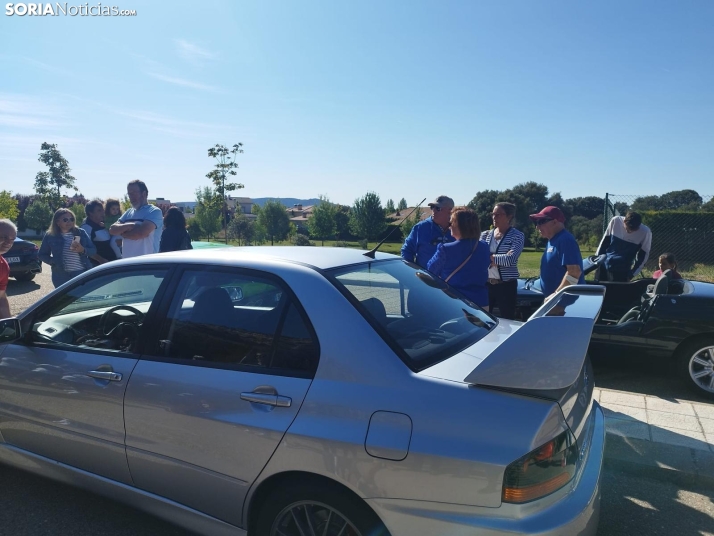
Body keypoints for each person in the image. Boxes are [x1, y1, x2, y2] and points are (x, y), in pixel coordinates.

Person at [427, 207, 491, 309]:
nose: (449, 226)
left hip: (455, 302)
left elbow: (431, 271)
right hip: (481, 303)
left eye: (451, 222)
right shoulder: (484, 247)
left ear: (461, 225)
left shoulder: (445, 249)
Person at [480, 202, 525, 319]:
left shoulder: (517, 236)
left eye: (498, 214)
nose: (494, 217)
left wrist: (489, 257)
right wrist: (499, 257)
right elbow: (478, 256)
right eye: (493, 214)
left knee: (507, 319)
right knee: (484, 319)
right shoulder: (485, 235)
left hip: (506, 286)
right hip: (486, 285)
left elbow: (510, 259)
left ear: (509, 217)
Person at [530, 206, 584, 301]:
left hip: (564, 303)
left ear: (555, 222)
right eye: (536, 222)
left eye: (541, 222)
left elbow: (574, 272)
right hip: (558, 302)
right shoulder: (553, 240)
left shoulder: (565, 240)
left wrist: (556, 295)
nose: (537, 226)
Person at [39, 209, 96, 288]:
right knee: (65, 299)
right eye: (65, 219)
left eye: (71, 219)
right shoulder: (50, 235)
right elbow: (41, 254)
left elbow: (93, 250)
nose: (69, 222)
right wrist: (52, 261)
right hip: (61, 275)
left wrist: (83, 250)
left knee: (81, 298)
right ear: (57, 222)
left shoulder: (80, 232)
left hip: (80, 272)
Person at [109, 180, 164, 258]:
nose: (131, 197)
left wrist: (122, 232)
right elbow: (112, 229)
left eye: (134, 193)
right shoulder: (128, 212)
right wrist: (131, 226)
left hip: (147, 264)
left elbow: (140, 233)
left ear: (144, 194)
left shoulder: (154, 211)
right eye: (129, 194)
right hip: (127, 264)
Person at [596, 211, 652, 282]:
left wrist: (632, 274)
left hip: (622, 270)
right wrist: (597, 262)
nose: (630, 231)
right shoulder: (615, 221)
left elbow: (643, 256)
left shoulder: (645, 232)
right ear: (624, 221)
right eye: (629, 228)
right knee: (599, 289)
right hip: (604, 265)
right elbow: (604, 243)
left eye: (634, 229)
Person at [401, 195, 455, 268]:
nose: (434, 211)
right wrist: (413, 271)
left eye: (438, 208)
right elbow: (407, 251)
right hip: (426, 278)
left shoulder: (458, 229)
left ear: (450, 211)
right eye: (432, 207)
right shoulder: (420, 228)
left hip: (450, 278)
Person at [81, 200, 118, 266]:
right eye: (99, 210)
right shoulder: (87, 227)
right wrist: (101, 260)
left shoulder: (104, 223)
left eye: (102, 210)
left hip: (112, 263)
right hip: (98, 266)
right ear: (90, 213)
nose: (103, 212)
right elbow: (84, 248)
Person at [0, 219, 17, 318]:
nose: (8, 242)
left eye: (12, 239)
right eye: (4, 237)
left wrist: (10, 326)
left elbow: (1, 298)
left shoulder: (3, 266)